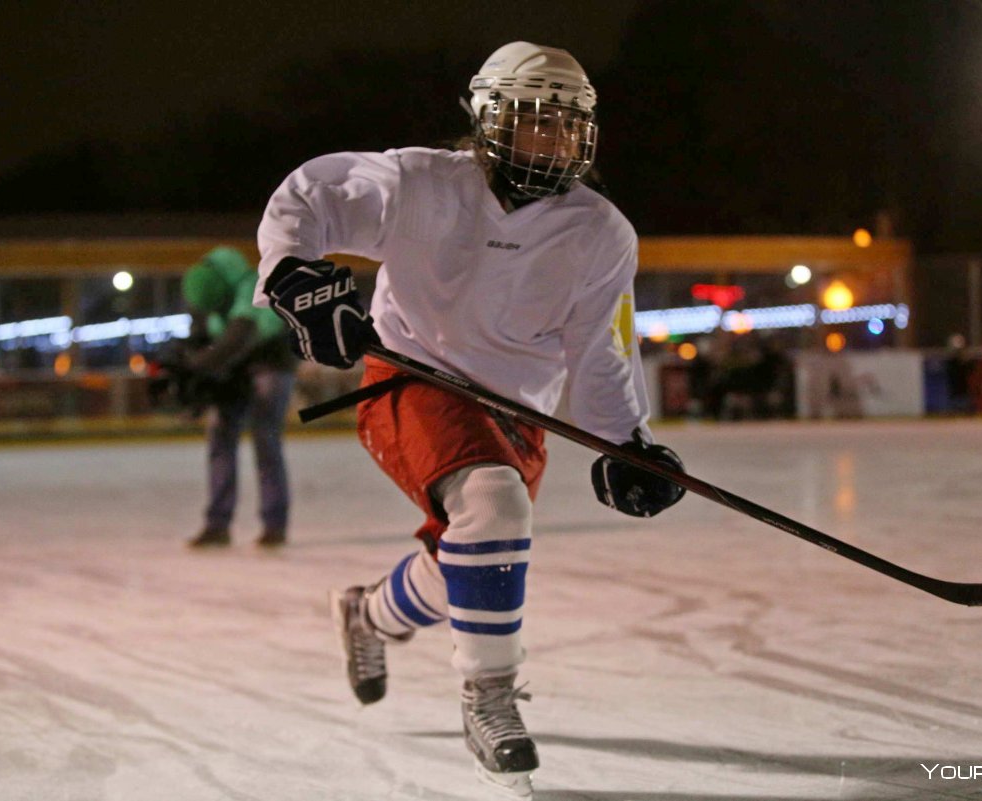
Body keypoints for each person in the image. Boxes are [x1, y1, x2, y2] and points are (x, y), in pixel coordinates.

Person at [255, 42, 685, 796]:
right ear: (490, 120)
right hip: (411, 376)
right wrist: (296, 274)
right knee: (493, 503)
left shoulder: (600, 232)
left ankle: (370, 614)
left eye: (567, 126)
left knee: (474, 547)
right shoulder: (423, 183)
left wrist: (626, 441)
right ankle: (490, 696)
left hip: (517, 410)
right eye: (535, 122)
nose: (553, 141)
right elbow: (312, 194)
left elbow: (601, 345)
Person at [179, 246, 297, 547]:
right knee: (220, 437)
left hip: (270, 363)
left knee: (265, 438)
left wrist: (198, 368)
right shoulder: (204, 290)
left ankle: (274, 524)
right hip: (233, 366)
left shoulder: (252, 288)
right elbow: (201, 337)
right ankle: (217, 525)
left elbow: (237, 336)